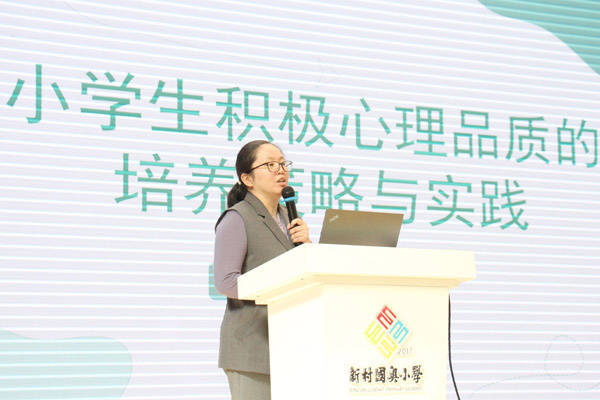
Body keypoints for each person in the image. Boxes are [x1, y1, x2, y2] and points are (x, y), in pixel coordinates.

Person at [213, 140, 311, 400]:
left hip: (290, 344)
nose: (281, 170)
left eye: (283, 164)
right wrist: (275, 291)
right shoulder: (237, 217)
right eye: (270, 165)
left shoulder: (290, 218)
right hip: (251, 348)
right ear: (247, 178)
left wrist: (308, 248)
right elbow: (225, 281)